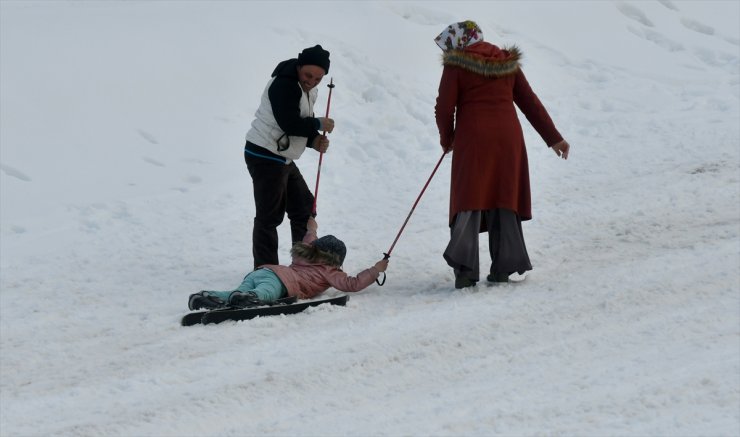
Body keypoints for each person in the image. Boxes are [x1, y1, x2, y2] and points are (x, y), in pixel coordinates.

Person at [433, 21, 571, 289]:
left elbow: (444, 107)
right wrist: (554, 138)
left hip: (473, 139)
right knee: (503, 197)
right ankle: (503, 268)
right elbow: (530, 101)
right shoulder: (507, 62)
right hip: (508, 139)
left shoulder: (456, 64)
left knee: (469, 199)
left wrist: (447, 139)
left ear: (459, 42)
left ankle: (465, 271)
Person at [244, 44, 336, 269]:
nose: (312, 81)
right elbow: (289, 122)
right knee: (269, 216)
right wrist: (317, 124)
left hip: (282, 157)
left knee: (304, 207)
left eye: (318, 78)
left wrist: (314, 139)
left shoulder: (306, 88)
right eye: (308, 75)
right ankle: (266, 271)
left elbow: (297, 123)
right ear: (299, 66)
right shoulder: (284, 84)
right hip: (264, 154)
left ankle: (303, 264)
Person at [188, 217, 389, 310]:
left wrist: (312, 227)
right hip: (281, 282)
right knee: (265, 292)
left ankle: (211, 297)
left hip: (264, 270)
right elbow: (352, 284)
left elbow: (310, 238)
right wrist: (375, 270)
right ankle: (251, 298)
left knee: (237, 292)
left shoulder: (303, 254)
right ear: (337, 259)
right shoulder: (330, 271)